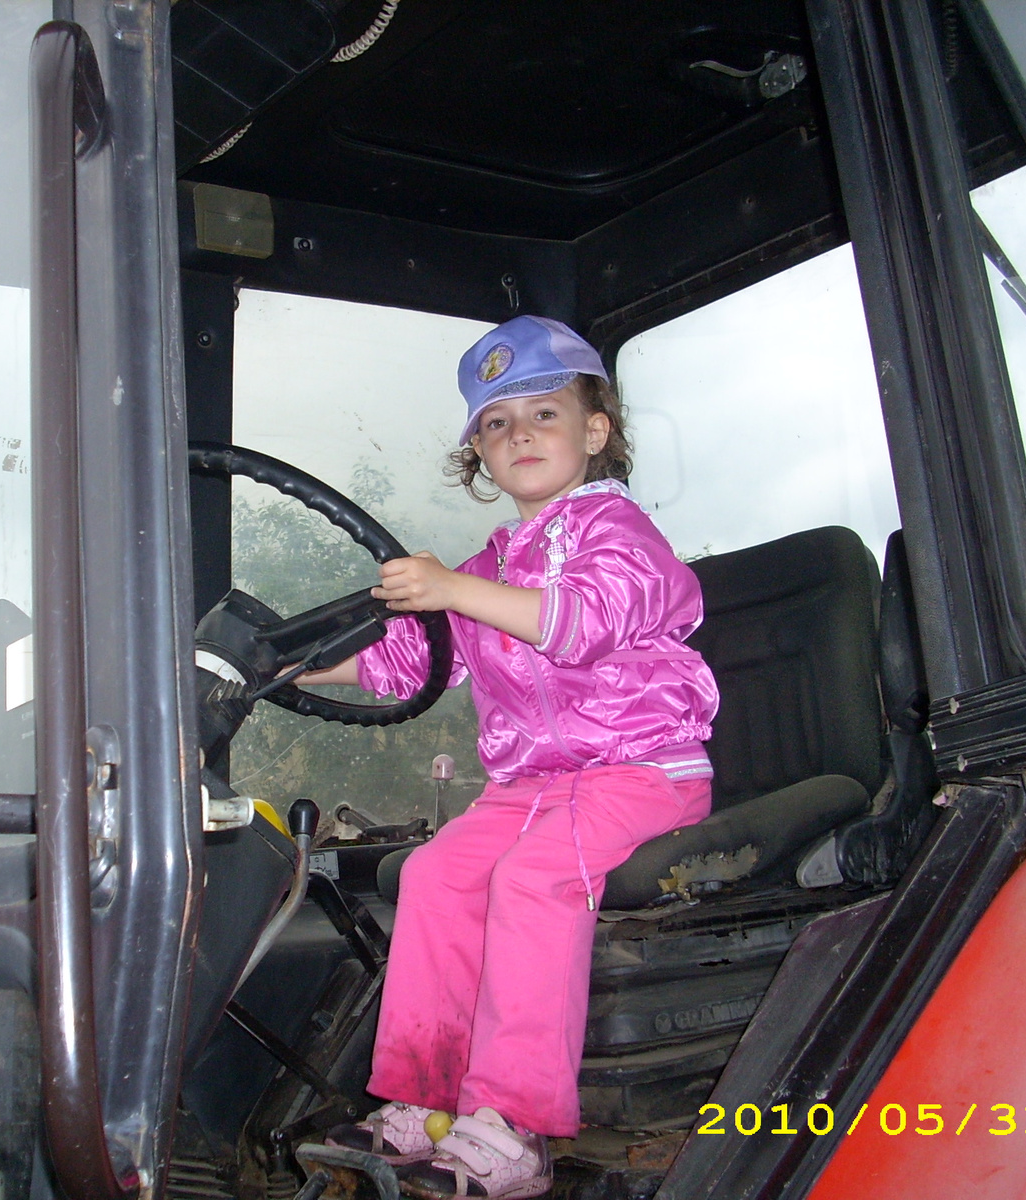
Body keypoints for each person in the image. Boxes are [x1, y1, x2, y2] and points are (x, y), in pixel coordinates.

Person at [302, 316, 719, 1200]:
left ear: (594, 431)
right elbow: (408, 661)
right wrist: (283, 665)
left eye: (543, 412)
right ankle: (423, 1100)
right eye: (496, 423)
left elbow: (582, 624)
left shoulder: (619, 532)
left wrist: (451, 590)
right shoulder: (492, 561)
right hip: (530, 784)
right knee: (437, 874)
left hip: (641, 770)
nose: (519, 433)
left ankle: (512, 1128)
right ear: (480, 458)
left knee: (533, 880)